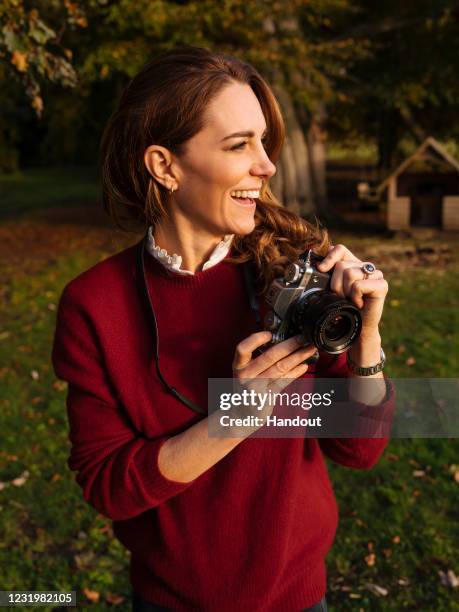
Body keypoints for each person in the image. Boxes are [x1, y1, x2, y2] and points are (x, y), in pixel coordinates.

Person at [52, 45, 394, 612]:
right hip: (169, 601)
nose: (268, 165)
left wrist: (367, 337)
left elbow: (358, 449)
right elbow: (108, 484)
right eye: (240, 145)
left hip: (298, 599)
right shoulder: (94, 305)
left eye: (263, 140)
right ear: (165, 165)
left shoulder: (294, 275)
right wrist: (235, 418)